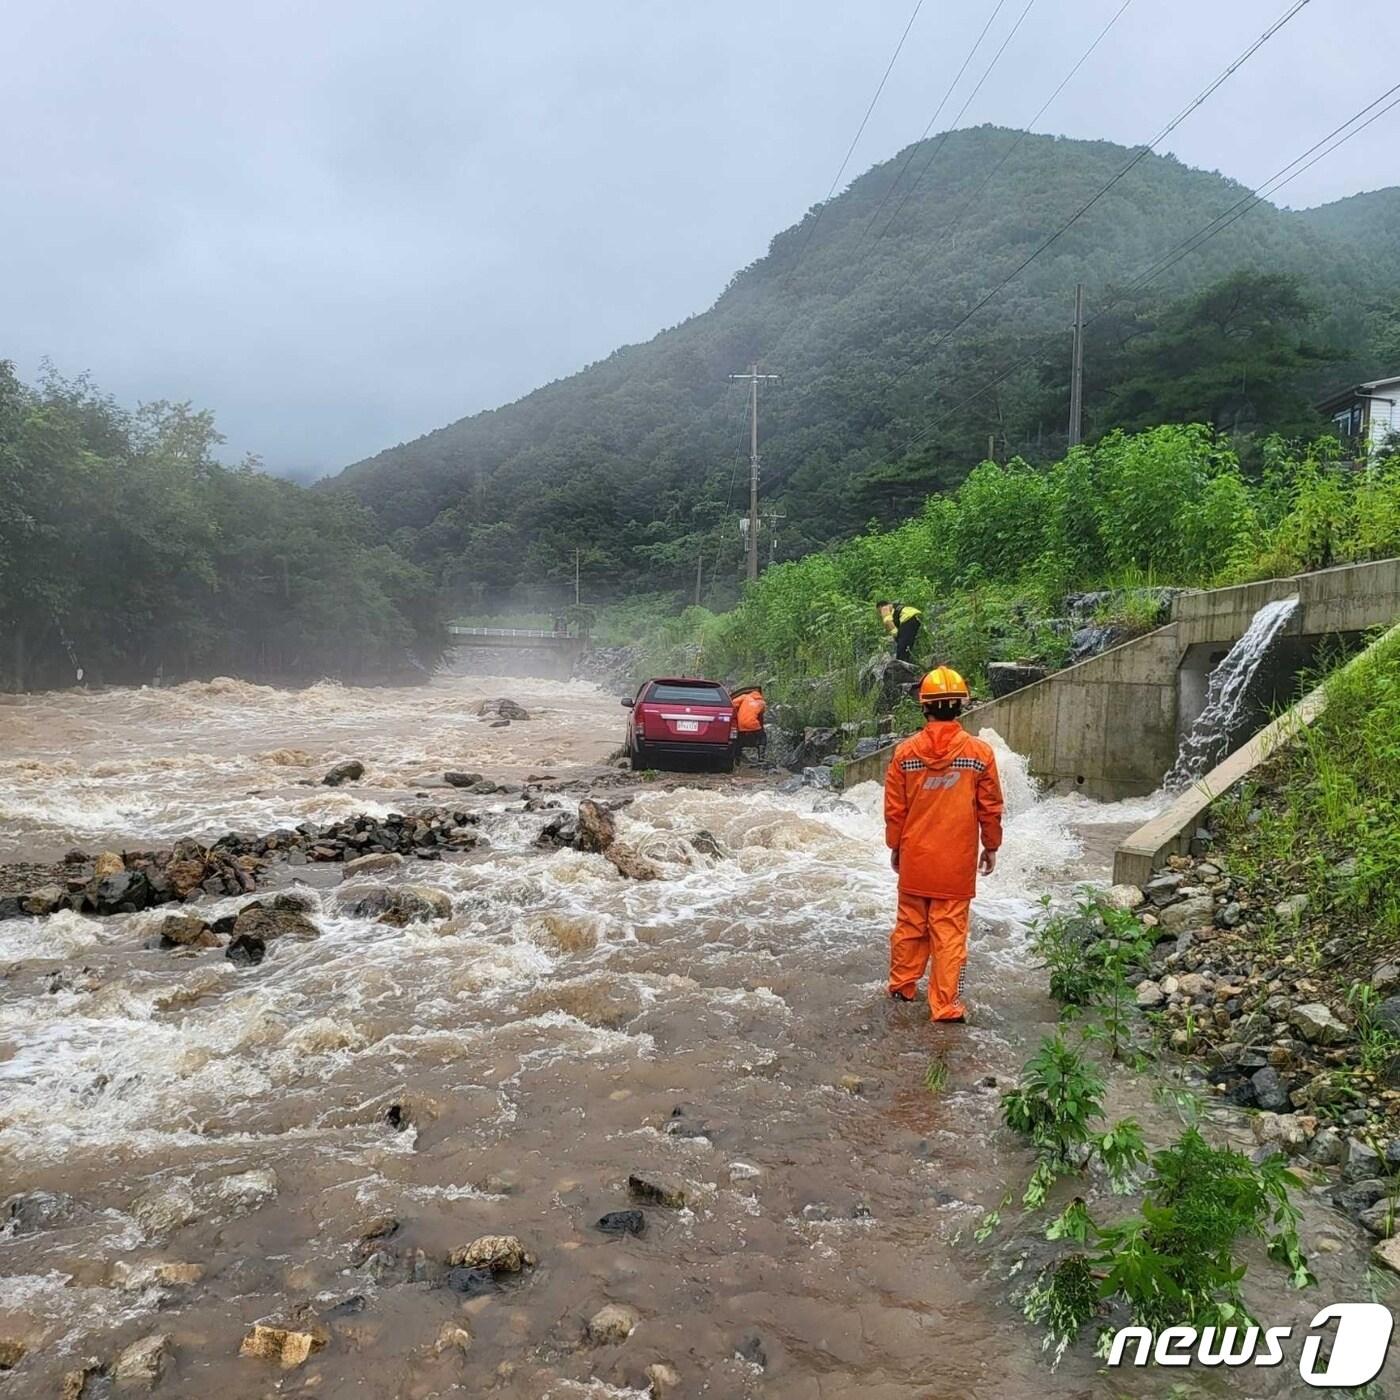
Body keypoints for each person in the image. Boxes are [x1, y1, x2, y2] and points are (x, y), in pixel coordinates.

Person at [883, 665, 1004, 1023]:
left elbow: (894, 809)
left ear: (925, 707)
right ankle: (946, 1004)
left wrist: (896, 846)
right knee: (949, 934)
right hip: (956, 862)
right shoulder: (980, 754)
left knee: (910, 925)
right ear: (960, 706)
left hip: (916, 858)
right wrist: (991, 846)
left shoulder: (905, 754)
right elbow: (991, 807)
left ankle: (903, 985)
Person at [732, 685, 767, 761]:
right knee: (762, 737)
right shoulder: (762, 703)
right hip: (753, 724)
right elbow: (760, 717)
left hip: (740, 724)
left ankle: (737, 757)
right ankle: (761, 757)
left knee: (739, 740)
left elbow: (733, 703)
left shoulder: (744, 697)